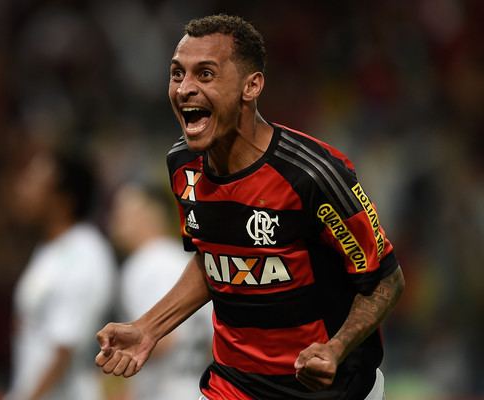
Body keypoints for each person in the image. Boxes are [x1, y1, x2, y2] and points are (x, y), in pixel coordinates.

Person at [96, 14, 405, 400]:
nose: (184, 89)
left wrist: (335, 348)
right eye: (177, 74)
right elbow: (216, 260)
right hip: (234, 385)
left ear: (251, 85)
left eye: (205, 75)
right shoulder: (182, 165)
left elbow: (385, 281)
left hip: (332, 389)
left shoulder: (312, 174)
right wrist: (148, 328)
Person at [7, 147, 116, 400]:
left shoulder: (85, 252)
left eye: (33, 181)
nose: (22, 189)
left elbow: (65, 348)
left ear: (62, 199)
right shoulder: (49, 250)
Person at [109, 183, 213, 400]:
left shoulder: (149, 263)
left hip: (167, 389)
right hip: (196, 384)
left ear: (151, 214)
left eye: (123, 210)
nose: (115, 219)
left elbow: (164, 339)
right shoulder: (180, 260)